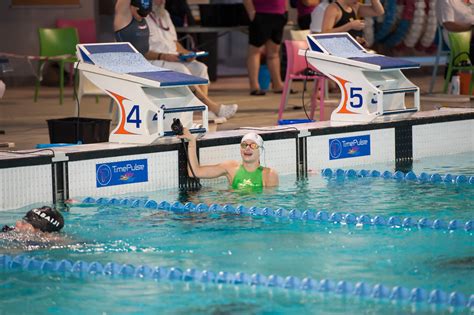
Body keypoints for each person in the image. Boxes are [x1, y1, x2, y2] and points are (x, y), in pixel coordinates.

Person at [114, 0, 237, 123]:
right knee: (182, 71)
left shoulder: (157, 16)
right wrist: (164, 56)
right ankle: (210, 106)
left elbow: (173, 41)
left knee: (200, 67)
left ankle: (201, 110)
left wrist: (185, 53)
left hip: (168, 59)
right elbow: (143, 53)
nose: (163, 1)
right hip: (150, 63)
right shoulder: (126, 19)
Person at [178, 128, 279, 189]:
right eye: (244, 145)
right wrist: (191, 141)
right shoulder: (231, 167)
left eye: (253, 145)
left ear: (260, 150)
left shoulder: (269, 174)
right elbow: (194, 172)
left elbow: (268, 203)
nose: (247, 148)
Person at [243, 0, 288, 96]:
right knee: (255, 51)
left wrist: (286, 11)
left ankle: (277, 84)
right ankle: (254, 86)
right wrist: (252, 13)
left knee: (274, 53)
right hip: (261, 14)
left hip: (279, 14)